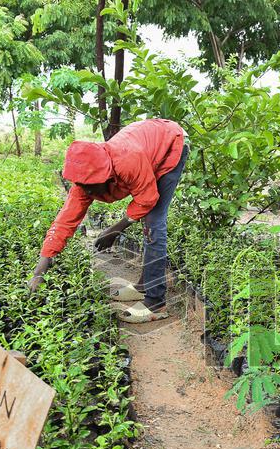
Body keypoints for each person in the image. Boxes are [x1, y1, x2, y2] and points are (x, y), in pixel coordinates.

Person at [29, 118, 189, 323]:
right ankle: (143, 286)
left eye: (91, 186)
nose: (87, 191)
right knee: (147, 220)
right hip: (148, 144)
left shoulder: (127, 162)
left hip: (170, 144)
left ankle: (156, 302)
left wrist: (115, 230)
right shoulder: (84, 182)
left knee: (154, 222)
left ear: (105, 176)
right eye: (82, 186)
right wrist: (39, 271)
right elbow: (64, 223)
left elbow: (147, 199)